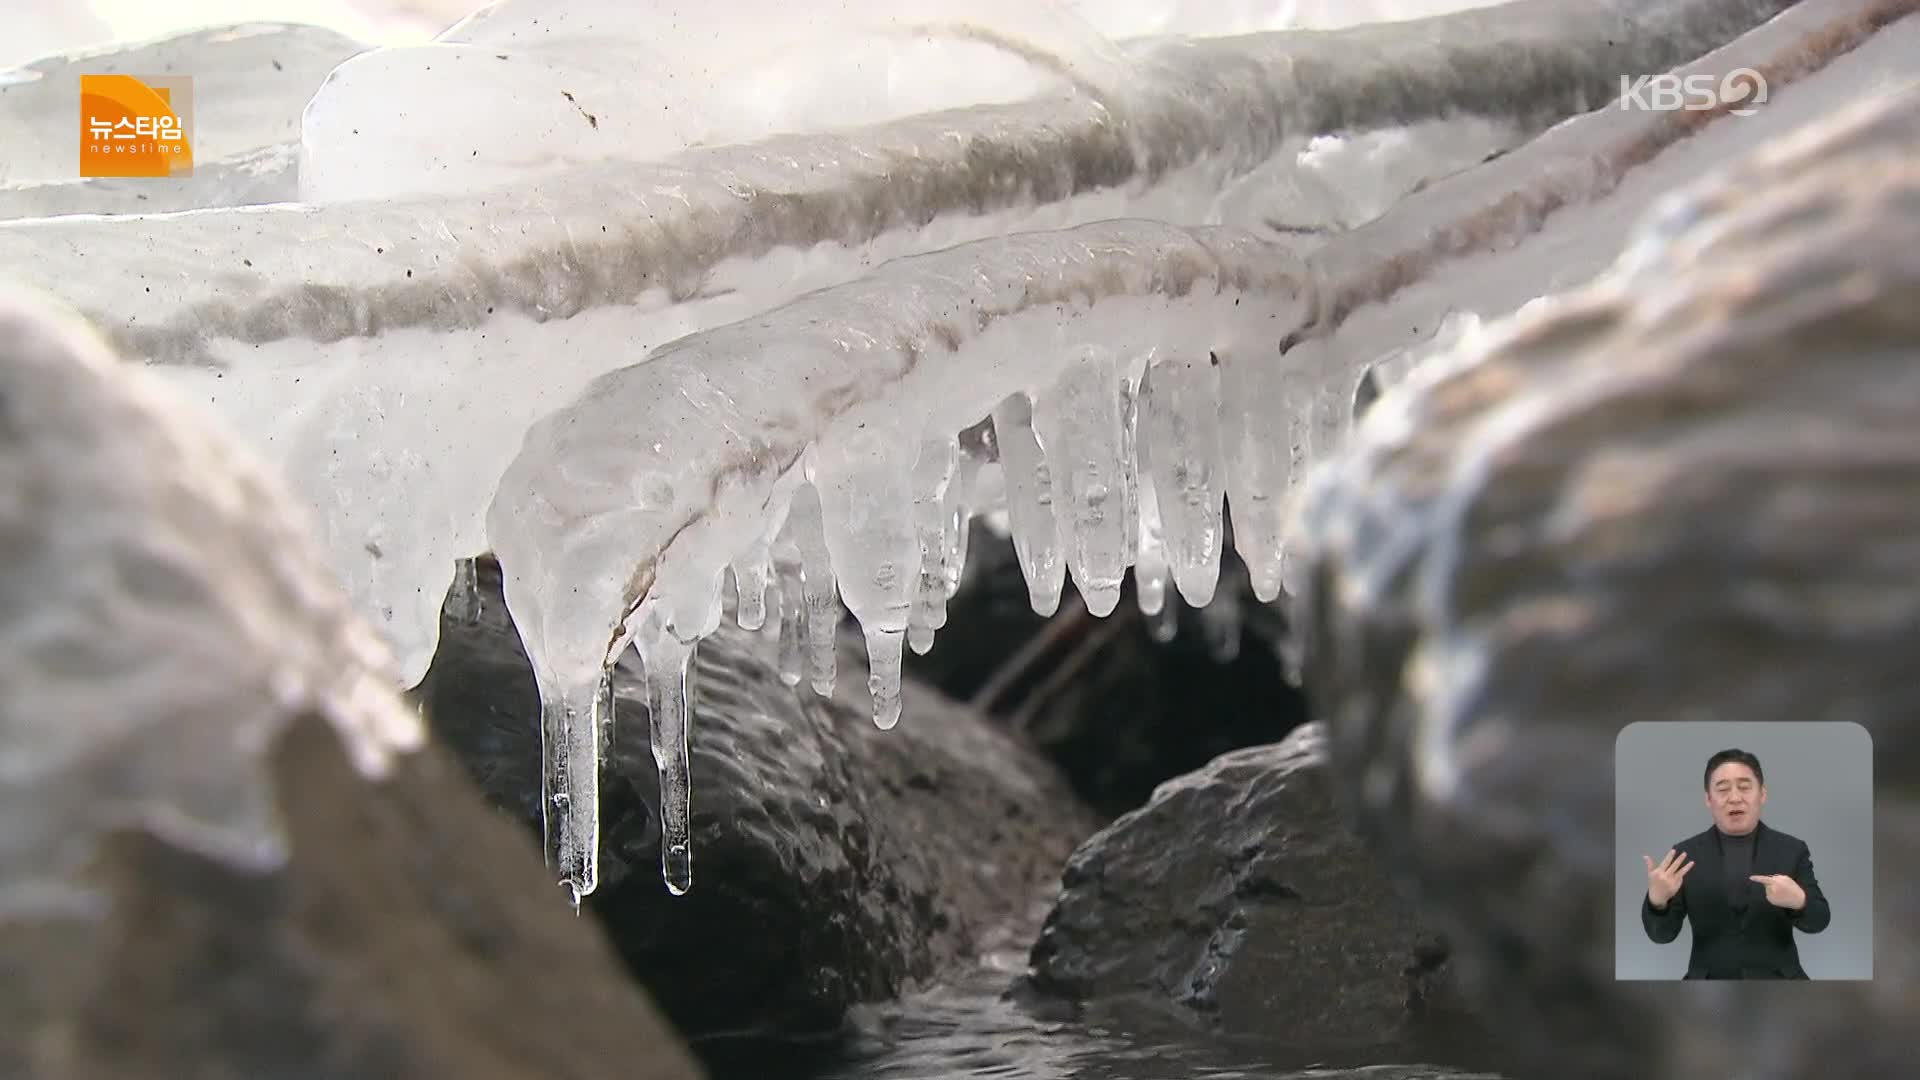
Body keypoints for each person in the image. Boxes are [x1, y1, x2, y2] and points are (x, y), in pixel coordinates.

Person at [1640, 748, 1831, 978]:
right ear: (1708, 799)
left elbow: (1819, 921)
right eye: (1722, 789)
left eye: (1744, 787)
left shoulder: (1792, 850)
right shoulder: (1685, 854)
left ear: (1762, 794)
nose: (1734, 798)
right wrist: (1657, 902)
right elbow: (1662, 936)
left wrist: (1799, 901)